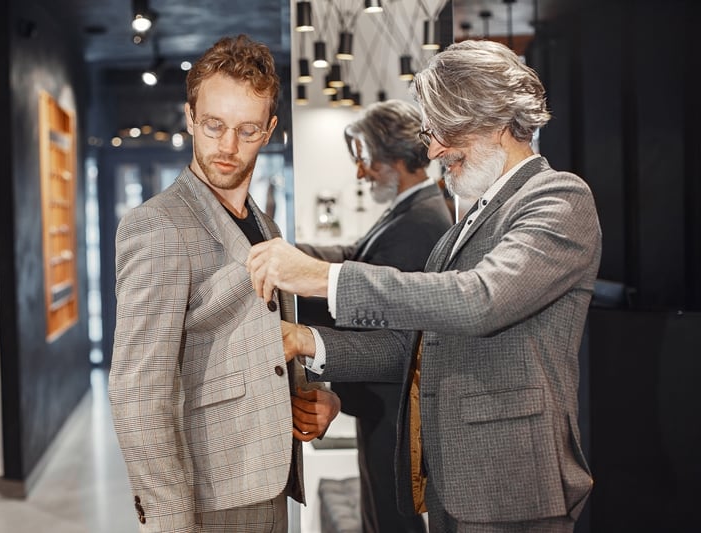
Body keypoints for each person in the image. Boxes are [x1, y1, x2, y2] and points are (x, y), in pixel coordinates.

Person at [247, 39, 601, 532]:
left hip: (513, 482)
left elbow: (482, 300)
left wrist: (323, 278)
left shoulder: (559, 198)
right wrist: (309, 341)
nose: (433, 150)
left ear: (493, 117)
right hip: (454, 480)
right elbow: (419, 348)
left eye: (441, 131)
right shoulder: (466, 222)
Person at [108, 34, 340, 533]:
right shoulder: (158, 227)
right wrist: (171, 523)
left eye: (247, 129)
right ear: (190, 117)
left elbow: (259, 341)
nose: (228, 147)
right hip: (207, 495)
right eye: (213, 126)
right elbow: (138, 392)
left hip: (270, 480)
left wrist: (313, 394)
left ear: (271, 130)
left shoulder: (266, 226)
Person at [296, 99, 452, 533]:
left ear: (396, 155)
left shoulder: (421, 221)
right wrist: (293, 258)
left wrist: (299, 279)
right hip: (383, 399)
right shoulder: (409, 209)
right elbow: (354, 257)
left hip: (394, 400)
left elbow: (384, 318)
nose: (360, 173)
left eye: (364, 159)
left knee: (390, 519)